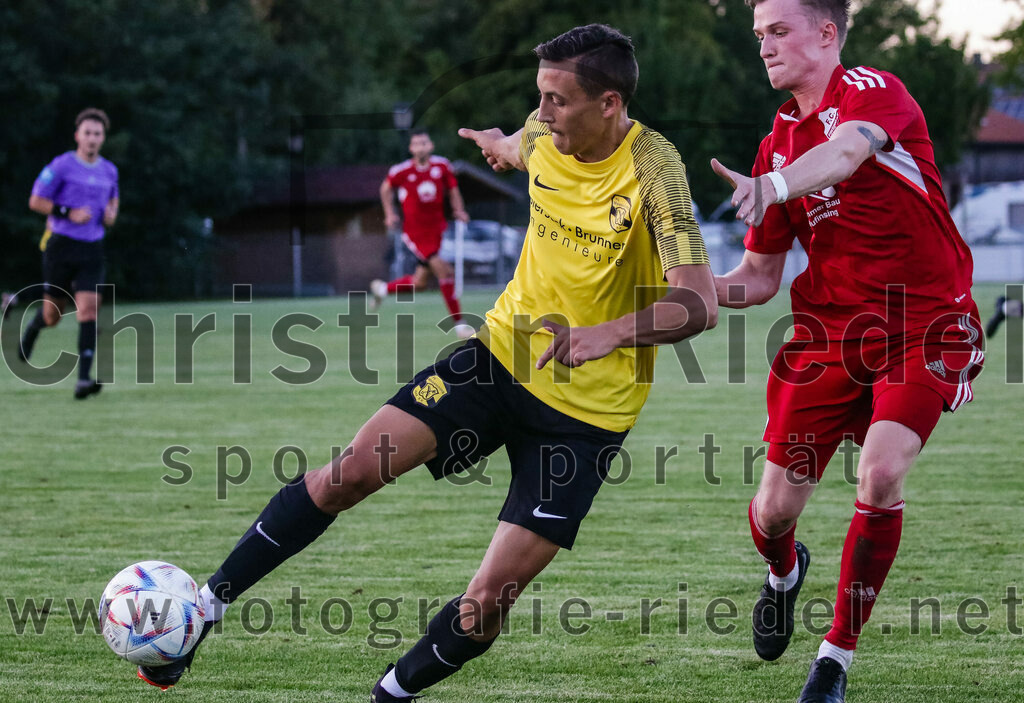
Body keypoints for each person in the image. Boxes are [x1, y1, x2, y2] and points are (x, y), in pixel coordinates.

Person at [134, 24, 717, 700]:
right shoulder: (543, 132)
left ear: (609, 104)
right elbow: (521, 146)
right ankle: (204, 609)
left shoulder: (656, 170)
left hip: (585, 417)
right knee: (347, 472)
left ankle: (390, 693)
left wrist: (609, 333)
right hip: (497, 358)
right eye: (540, 98)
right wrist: (499, 146)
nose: (544, 113)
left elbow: (698, 304)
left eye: (559, 100)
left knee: (486, 603)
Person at [711, 1, 984, 701]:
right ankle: (783, 572)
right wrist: (680, 293)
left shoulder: (870, 90)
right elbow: (758, 279)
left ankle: (833, 658)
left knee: (882, 472)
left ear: (827, 34)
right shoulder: (772, 147)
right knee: (772, 512)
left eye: (778, 31)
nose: (764, 47)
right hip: (827, 338)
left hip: (925, 322)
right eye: (758, 36)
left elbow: (848, 151)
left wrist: (772, 187)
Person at [19, 107, 119, 399]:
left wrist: (111, 215)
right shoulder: (61, 166)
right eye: (87, 133)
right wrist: (67, 212)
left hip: (92, 249)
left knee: (89, 310)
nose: (92, 138)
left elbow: (112, 207)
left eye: (97, 134)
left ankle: (84, 380)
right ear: (78, 135)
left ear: (103, 138)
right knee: (54, 315)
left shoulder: (109, 170)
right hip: (61, 246)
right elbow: (36, 201)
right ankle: (36, 325)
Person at [372, 130, 475, 340]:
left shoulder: (442, 166)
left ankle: (383, 289)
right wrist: (390, 214)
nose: (421, 147)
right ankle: (460, 326)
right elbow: (385, 189)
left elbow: (453, 190)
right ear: (411, 149)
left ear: (431, 146)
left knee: (419, 283)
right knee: (445, 272)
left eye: (424, 143)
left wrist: (459, 210)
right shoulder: (401, 171)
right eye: (416, 144)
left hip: (436, 230)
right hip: (415, 233)